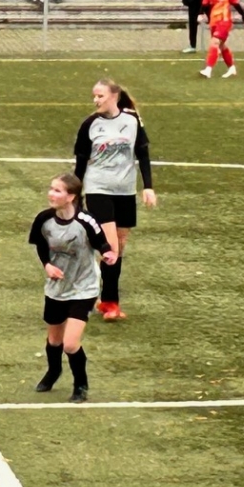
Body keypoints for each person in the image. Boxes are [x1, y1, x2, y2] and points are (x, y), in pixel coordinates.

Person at [72, 79, 153, 322]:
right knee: (112, 247)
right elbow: (81, 161)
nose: (96, 100)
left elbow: (142, 153)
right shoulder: (90, 124)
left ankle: (103, 299)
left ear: (114, 96)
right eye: (94, 96)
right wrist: (75, 195)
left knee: (120, 244)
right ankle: (111, 303)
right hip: (98, 189)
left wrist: (148, 187)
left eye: (100, 96)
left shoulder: (132, 120)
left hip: (125, 191)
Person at [29, 173, 110, 402]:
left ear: (71, 196)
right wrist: (47, 265)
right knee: (54, 340)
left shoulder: (85, 221)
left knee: (70, 343)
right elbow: (41, 245)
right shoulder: (44, 219)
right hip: (57, 287)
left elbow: (101, 242)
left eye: (57, 190)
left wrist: (108, 253)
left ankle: (80, 384)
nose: (51, 194)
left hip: (84, 287)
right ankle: (54, 371)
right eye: (51, 188)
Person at [198, 0, 244, 78]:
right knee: (221, 46)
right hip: (214, 21)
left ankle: (208, 69)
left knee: (214, 42)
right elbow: (204, 4)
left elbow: (236, 4)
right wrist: (200, 14)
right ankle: (231, 68)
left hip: (224, 21)